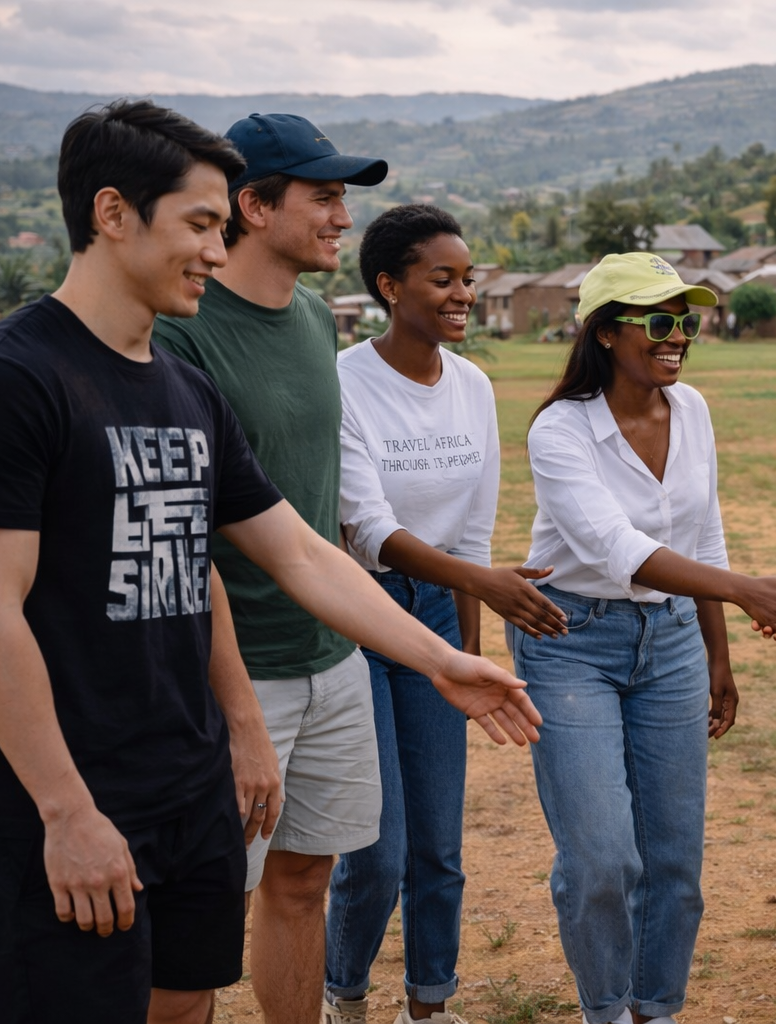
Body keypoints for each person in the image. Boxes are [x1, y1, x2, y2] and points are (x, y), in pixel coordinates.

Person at [0, 98, 539, 1024]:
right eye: (200, 226)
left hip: (186, 775)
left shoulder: (180, 389)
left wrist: (442, 659)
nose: (218, 254)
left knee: (184, 1004)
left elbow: (297, 549)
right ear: (111, 214)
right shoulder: (5, 383)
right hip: (76, 792)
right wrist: (63, 811)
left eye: (223, 227)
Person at [515, 252, 776, 1024]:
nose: (679, 336)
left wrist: (718, 653)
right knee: (600, 861)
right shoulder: (560, 431)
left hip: (675, 643)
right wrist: (750, 591)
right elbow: (613, 548)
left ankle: (655, 1008)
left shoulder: (691, 410)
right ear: (605, 334)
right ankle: (607, 1010)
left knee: (674, 862)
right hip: (571, 640)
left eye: (687, 320)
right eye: (660, 320)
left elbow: (703, 533)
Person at [151, 111, 392, 1024]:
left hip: (330, 659)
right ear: (252, 205)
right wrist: (240, 713)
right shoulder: (184, 332)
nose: (342, 216)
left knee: (303, 883)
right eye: (323, 196)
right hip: (231, 676)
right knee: (200, 915)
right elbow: (190, 537)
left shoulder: (311, 314)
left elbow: (308, 506)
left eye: (343, 198)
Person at [320, 206, 570, 1024]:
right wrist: (487, 585)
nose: (463, 293)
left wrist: (463, 650)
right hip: (356, 611)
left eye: (468, 279)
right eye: (443, 278)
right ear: (390, 287)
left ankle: (428, 1007)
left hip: (439, 613)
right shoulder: (345, 381)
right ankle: (344, 996)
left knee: (439, 845)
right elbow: (369, 529)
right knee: (378, 850)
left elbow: (470, 533)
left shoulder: (473, 384)